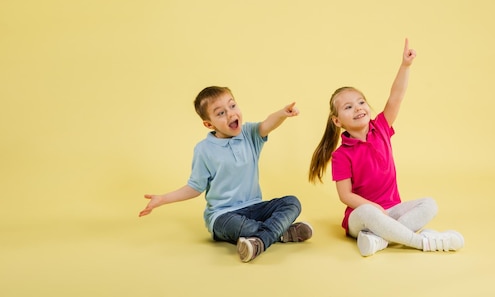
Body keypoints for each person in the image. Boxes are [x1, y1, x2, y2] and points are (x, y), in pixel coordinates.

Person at [308, 39, 464, 257]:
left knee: (430, 205)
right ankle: (423, 242)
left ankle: (380, 240)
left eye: (361, 102)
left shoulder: (381, 127)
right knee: (368, 214)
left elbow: (396, 96)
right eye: (348, 107)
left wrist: (405, 66)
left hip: (393, 212)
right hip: (361, 217)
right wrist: (373, 208)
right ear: (337, 121)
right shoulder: (341, 155)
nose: (358, 108)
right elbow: (346, 196)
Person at [139, 86, 313, 263]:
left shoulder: (249, 134)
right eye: (220, 113)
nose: (230, 114)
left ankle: (260, 241)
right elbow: (194, 187)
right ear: (209, 124)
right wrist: (162, 199)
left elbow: (267, 124)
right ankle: (281, 232)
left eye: (232, 106)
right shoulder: (204, 149)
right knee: (242, 226)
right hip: (224, 215)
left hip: (256, 206)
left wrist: (282, 113)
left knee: (292, 202)